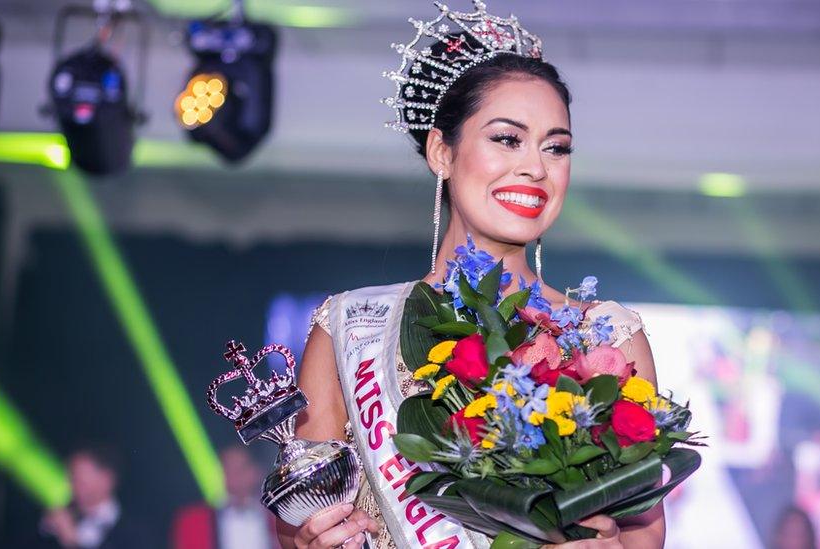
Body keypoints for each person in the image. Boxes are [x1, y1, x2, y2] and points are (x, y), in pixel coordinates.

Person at [276, 2, 664, 547]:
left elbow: (642, 534)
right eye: (507, 138)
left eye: (556, 147)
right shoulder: (350, 326)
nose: (535, 166)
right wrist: (304, 538)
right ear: (442, 151)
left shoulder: (607, 338)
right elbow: (301, 514)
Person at [34, 446, 156, 549]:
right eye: (72, 476)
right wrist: (43, 532)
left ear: (107, 479)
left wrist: (72, 543)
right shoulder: (57, 520)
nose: (73, 483)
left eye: (81, 477)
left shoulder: (135, 532)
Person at [172, 446, 279, 549]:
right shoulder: (193, 522)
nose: (233, 475)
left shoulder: (278, 518)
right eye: (227, 468)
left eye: (240, 468)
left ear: (256, 471)